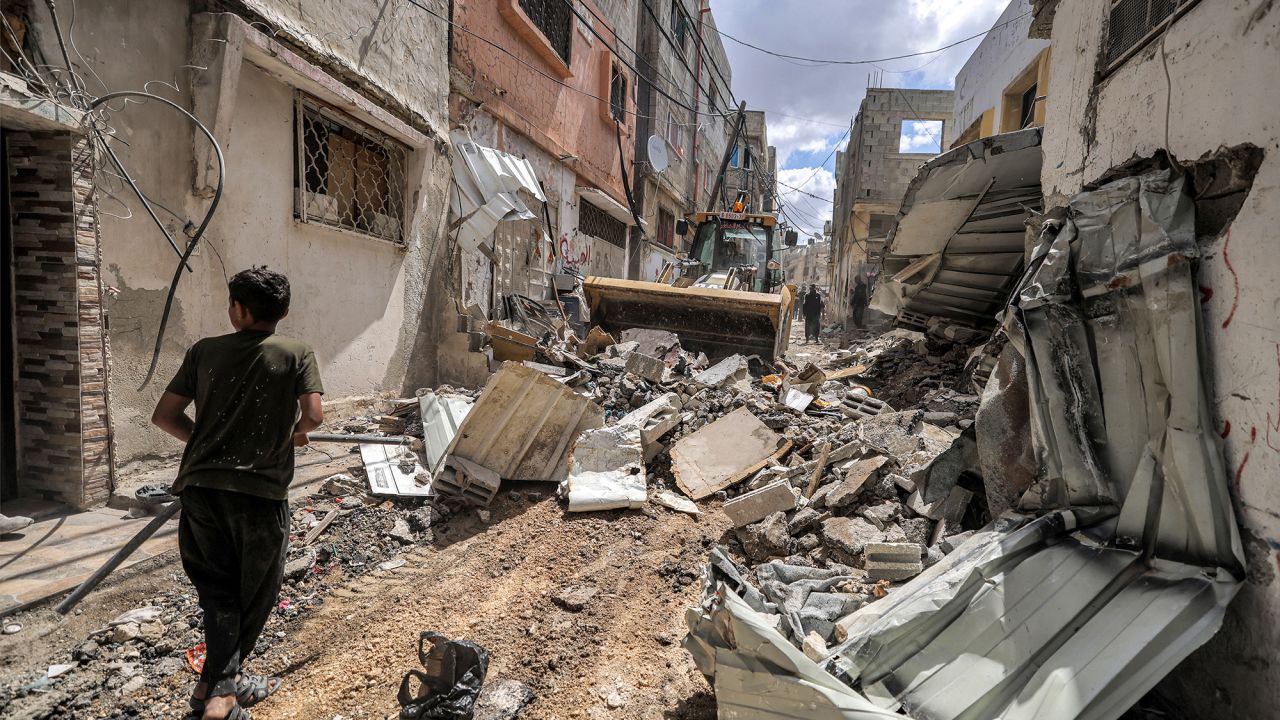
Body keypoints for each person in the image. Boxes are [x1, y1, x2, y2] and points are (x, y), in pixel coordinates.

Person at [152, 267, 324, 720]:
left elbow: (166, 416)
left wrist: (207, 441)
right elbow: (314, 415)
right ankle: (222, 699)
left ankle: (213, 685)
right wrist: (296, 433)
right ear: (284, 311)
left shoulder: (204, 351)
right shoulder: (296, 352)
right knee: (258, 593)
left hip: (201, 489)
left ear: (237, 309)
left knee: (218, 594)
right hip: (260, 494)